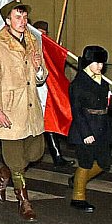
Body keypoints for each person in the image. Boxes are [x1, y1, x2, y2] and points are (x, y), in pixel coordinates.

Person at [0, 0, 46, 222]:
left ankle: (1, 173)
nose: (22, 21)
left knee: (36, 152)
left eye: (24, 17)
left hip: (31, 108)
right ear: (8, 20)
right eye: (17, 17)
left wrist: (39, 69)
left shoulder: (33, 41)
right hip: (9, 109)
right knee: (17, 161)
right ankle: (24, 201)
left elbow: (41, 78)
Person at [67, 46, 112, 213]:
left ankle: (78, 180)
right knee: (85, 163)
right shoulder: (78, 84)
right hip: (85, 129)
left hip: (102, 128)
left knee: (104, 163)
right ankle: (78, 197)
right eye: (96, 63)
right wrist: (86, 133)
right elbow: (76, 111)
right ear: (88, 63)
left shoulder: (102, 82)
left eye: (102, 63)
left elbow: (108, 103)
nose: (100, 66)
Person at [33, 20, 75, 167]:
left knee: (49, 123)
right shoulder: (29, 46)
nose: (42, 36)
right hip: (32, 90)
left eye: (44, 34)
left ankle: (57, 156)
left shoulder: (47, 46)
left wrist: (55, 50)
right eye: (39, 33)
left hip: (45, 89)